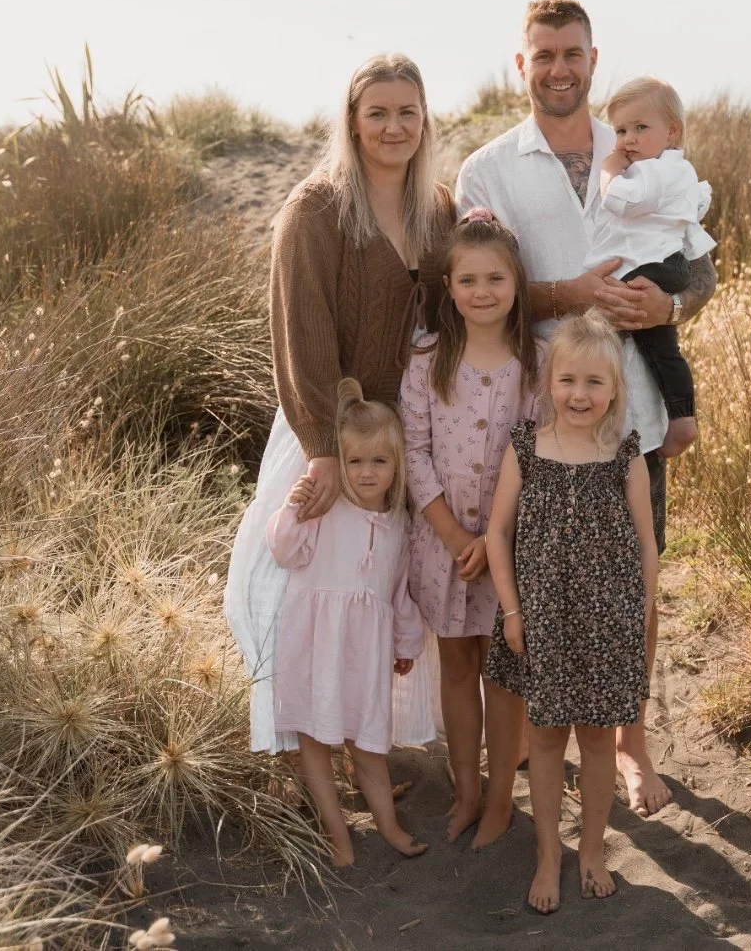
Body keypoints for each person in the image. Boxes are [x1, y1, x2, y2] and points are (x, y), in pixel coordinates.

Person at [455, 0, 717, 818]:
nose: (559, 68)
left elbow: (700, 263)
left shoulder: (638, 142)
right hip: (534, 418)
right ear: (521, 64)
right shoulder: (487, 169)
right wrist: (566, 293)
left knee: (634, 577)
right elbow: (474, 288)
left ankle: (632, 745)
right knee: (543, 587)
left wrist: (673, 311)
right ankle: (548, 745)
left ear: (593, 60)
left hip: (630, 412)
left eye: (573, 53)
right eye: (545, 54)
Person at [224, 53, 456, 757]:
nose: (394, 126)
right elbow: (302, 330)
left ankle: (377, 749)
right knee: (300, 595)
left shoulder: (439, 209)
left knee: (385, 595)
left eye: (407, 112)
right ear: (352, 122)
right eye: (377, 112)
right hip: (334, 438)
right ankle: (304, 758)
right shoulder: (317, 209)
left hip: (411, 441)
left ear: (425, 119)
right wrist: (324, 448)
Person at [485, 313, 659, 913]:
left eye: (593, 383)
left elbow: (646, 545)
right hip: (544, 620)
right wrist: (511, 610)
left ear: (614, 390)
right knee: (547, 738)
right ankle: (547, 856)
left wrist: (640, 617)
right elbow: (496, 534)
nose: (579, 394)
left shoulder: (623, 453)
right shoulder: (527, 448)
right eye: (567, 381)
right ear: (548, 383)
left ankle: (591, 850)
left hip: (607, 621)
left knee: (598, 740)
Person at [399, 209, 543, 848]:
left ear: (516, 284)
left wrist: (496, 539)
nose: (482, 292)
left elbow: (542, 451)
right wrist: (458, 538)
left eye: (496, 279)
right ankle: (464, 790)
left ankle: (502, 801)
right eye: (468, 280)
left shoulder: (536, 363)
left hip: (512, 543)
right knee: (457, 662)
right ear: (449, 287)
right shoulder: (427, 359)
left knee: (504, 670)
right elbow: (413, 450)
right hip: (442, 542)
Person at [266, 379, 427, 867]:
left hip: (365, 649)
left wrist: (406, 641)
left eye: (379, 461)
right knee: (315, 737)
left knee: (366, 742)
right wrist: (294, 506)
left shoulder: (399, 520)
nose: (366, 472)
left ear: (397, 463)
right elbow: (283, 550)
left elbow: (399, 592)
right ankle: (338, 835)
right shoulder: (325, 508)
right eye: (355, 461)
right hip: (313, 639)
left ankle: (390, 828)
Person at [586, 76, 715, 459]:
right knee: (660, 346)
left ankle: (676, 417)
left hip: (656, 265)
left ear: (672, 131)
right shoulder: (674, 169)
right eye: (621, 130)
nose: (627, 139)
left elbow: (621, 202)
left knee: (601, 320)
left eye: (641, 128)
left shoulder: (653, 171)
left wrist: (609, 170)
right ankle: (681, 416)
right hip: (665, 261)